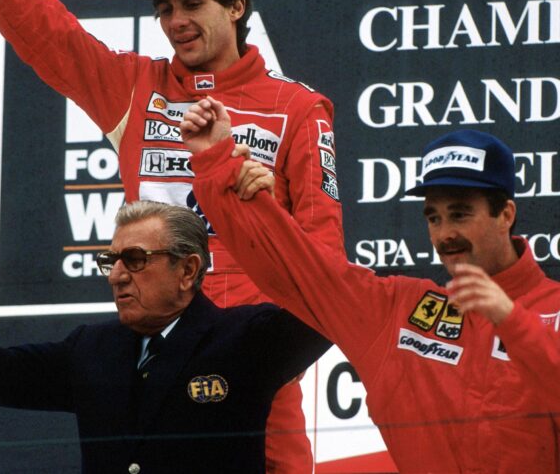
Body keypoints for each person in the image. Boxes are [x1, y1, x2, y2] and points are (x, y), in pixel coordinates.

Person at [0, 0, 345, 468]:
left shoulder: (297, 108)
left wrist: (281, 352)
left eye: (192, 2)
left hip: (254, 354)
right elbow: (44, 31)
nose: (175, 20)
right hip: (158, 345)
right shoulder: (136, 89)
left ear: (236, 5)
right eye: (164, 7)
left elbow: (323, 250)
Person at [182, 98, 560, 472]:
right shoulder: (400, 312)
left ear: (505, 215)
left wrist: (511, 321)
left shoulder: (553, 313)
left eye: (460, 215)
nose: (445, 235)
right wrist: (219, 165)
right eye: (434, 218)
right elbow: (300, 267)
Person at [0, 200, 331, 473]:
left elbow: (332, 307)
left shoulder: (242, 339)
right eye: (111, 261)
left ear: (188, 271)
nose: (116, 276)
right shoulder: (91, 349)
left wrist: (264, 216)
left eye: (135, 260)